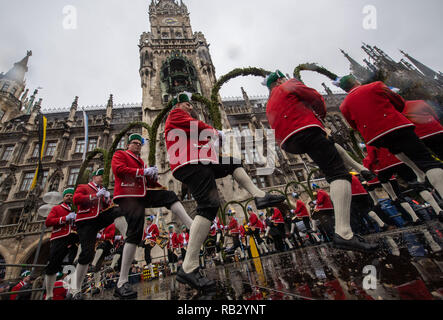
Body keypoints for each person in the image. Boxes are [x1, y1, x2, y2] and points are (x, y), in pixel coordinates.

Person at [164, 92, 285, 291]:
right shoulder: (176, 114)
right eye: (187, 104)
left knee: (233, 163)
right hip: (192, 162)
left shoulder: (185, 119)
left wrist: (214, 142)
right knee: (208, 207)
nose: (190, 106)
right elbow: (197, 128)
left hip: (202, 160)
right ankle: (188, 267)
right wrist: (215, 132)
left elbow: (198, 137)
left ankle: (260, 196)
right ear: (179, 105)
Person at [263, 71, 377, 252]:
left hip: (290, 141)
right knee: (339, 174)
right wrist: (321, 118)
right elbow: (315, 97)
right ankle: (344, 233)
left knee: (329, 147)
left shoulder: (269, 104)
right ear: (279, 80)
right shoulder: (287, 85)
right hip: (306, 129)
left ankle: (360, 168)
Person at [111, 133, 193, 299]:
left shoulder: (140, 161)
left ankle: (192, 225)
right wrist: (143, 171)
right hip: (128, 196)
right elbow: (119, 170)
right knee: (134, 235)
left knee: (169, 195)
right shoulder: (120, 154)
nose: (137, 146)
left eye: (139, 144)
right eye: (134, 143)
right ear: (128, 145)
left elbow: (147, 182)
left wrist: (153, 177)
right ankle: (121, 282)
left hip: (142, 194)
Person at [336, 75, 443, 201]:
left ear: (344, 89)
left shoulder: (343, 106)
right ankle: (423, 173)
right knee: (427, 162)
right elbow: (399, 103)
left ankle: (418, 172)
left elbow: (353, 126)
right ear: (356, 80)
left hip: (377, 138)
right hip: (397, 127)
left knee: (399, 152)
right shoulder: (376, 85)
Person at [70, 168, 122, 300]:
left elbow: (104, 207)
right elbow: (76, 200)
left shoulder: (102, 190)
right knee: (86, 254)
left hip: (97, 221)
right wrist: (95, 196)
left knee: (116, 210)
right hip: (85, 222)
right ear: (94, 177)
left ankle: (127, 236)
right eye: (100, 176)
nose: (102, 178)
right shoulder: (84, 187)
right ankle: (75, 288)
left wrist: (105, 199)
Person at [43, 187, 79, 300]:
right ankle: (49, 294)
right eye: (67, 195)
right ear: (63, 197)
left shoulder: (77, 210)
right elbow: (48, 222)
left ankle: (73, 291)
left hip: (73, 239)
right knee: (53, 265)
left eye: (71, 195)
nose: (69, 197)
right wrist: (65, 218)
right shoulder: (57, 208)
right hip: (59, 238)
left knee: (72, 264)